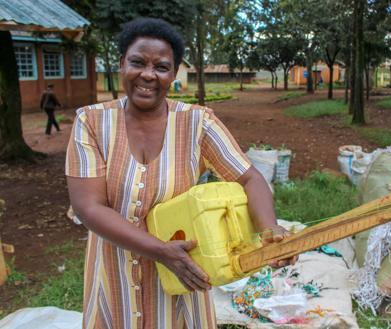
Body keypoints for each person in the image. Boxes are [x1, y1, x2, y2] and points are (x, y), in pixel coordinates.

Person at [66, 17, 295, 329]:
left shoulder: (197, 123)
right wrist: (160, 251)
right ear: (121, 64)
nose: (147, 75)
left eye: (161, 67)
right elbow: (88, 206)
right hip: (113, 276)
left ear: (173, 74)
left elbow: (249, 177)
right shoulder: (91, 122)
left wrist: (270, 231)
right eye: (137, 63)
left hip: (183, 277)